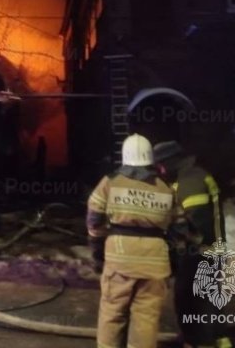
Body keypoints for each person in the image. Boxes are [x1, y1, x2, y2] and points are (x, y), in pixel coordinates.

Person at [87, 133, 187, 348]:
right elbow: (179, 229)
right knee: (146, 319)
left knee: (113, 313)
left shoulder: (110, 182)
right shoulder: (165, 187)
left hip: (120, 259)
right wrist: (173, 261)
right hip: (155, 263)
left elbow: (94, 220)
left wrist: (98, 252)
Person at [153, 141, 231, 348]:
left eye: (161, 165)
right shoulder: (190, 175)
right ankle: (218, 340)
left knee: (193, 303)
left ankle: (200, 342)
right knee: (208, 302)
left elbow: (194, 222)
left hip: (200, 252)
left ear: (170, 162)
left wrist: (174, 243)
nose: (160, 171)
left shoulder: (190, 180)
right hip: (206, 250)